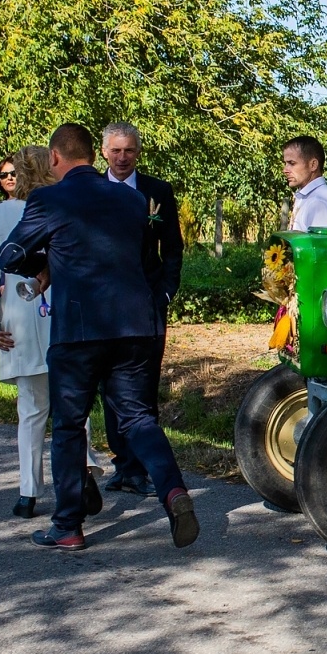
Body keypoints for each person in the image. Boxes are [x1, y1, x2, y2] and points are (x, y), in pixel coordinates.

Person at [0, 124, 199, 552]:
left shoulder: (48, 198)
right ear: (97, 154)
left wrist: (43, 260)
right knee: (139, 417)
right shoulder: (130, 199)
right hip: (135, 326)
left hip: (79, 329)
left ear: (55, 158)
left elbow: (10, 254)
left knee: (69, 425)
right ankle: (174, 491)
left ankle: (68, 525)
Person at [0, 146, 111, 518]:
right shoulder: (65, 202)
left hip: (20, 313)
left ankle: (28, 492)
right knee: (73, 404)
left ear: (17, 174)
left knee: (31, 409)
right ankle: (81, 468)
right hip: (65, 309)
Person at [99, 122, 185, 496]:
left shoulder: (157, 191)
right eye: (115, 150)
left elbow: (173, 248)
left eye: (129, 150)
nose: (122, 157)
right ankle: (123, 463)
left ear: (138, 152)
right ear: (104, 152)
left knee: (143, 387)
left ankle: (141, 467)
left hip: (147, 305)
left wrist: (166, 292)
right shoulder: (93, 191)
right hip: (101, 307)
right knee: (108, 388)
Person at [282, 135, 327, 230]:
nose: (285, 170)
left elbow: (319, 244)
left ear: (313, 165)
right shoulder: (307, 197)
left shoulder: (319, 202)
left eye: (292, 163)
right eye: (285, 163)